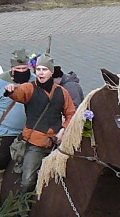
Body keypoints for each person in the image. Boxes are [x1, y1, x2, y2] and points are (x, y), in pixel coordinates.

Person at [6, 55, 76, 193]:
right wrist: (11, 90)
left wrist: (63, 130)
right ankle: (21, 204)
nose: (41, 73)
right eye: (38, 69)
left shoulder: (62, 92)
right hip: (35, 144)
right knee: (27, 181)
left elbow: (71, 114)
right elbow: (19, 93)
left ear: (51, 72)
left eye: (44, 69)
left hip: (57, 144)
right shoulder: (29, 88)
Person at [0, 48, 30, 215]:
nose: (22, 71)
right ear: (12, 69)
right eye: (18, 69)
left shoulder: (35, 81)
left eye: (24, 68)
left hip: (28, 131)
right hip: (5, 132)